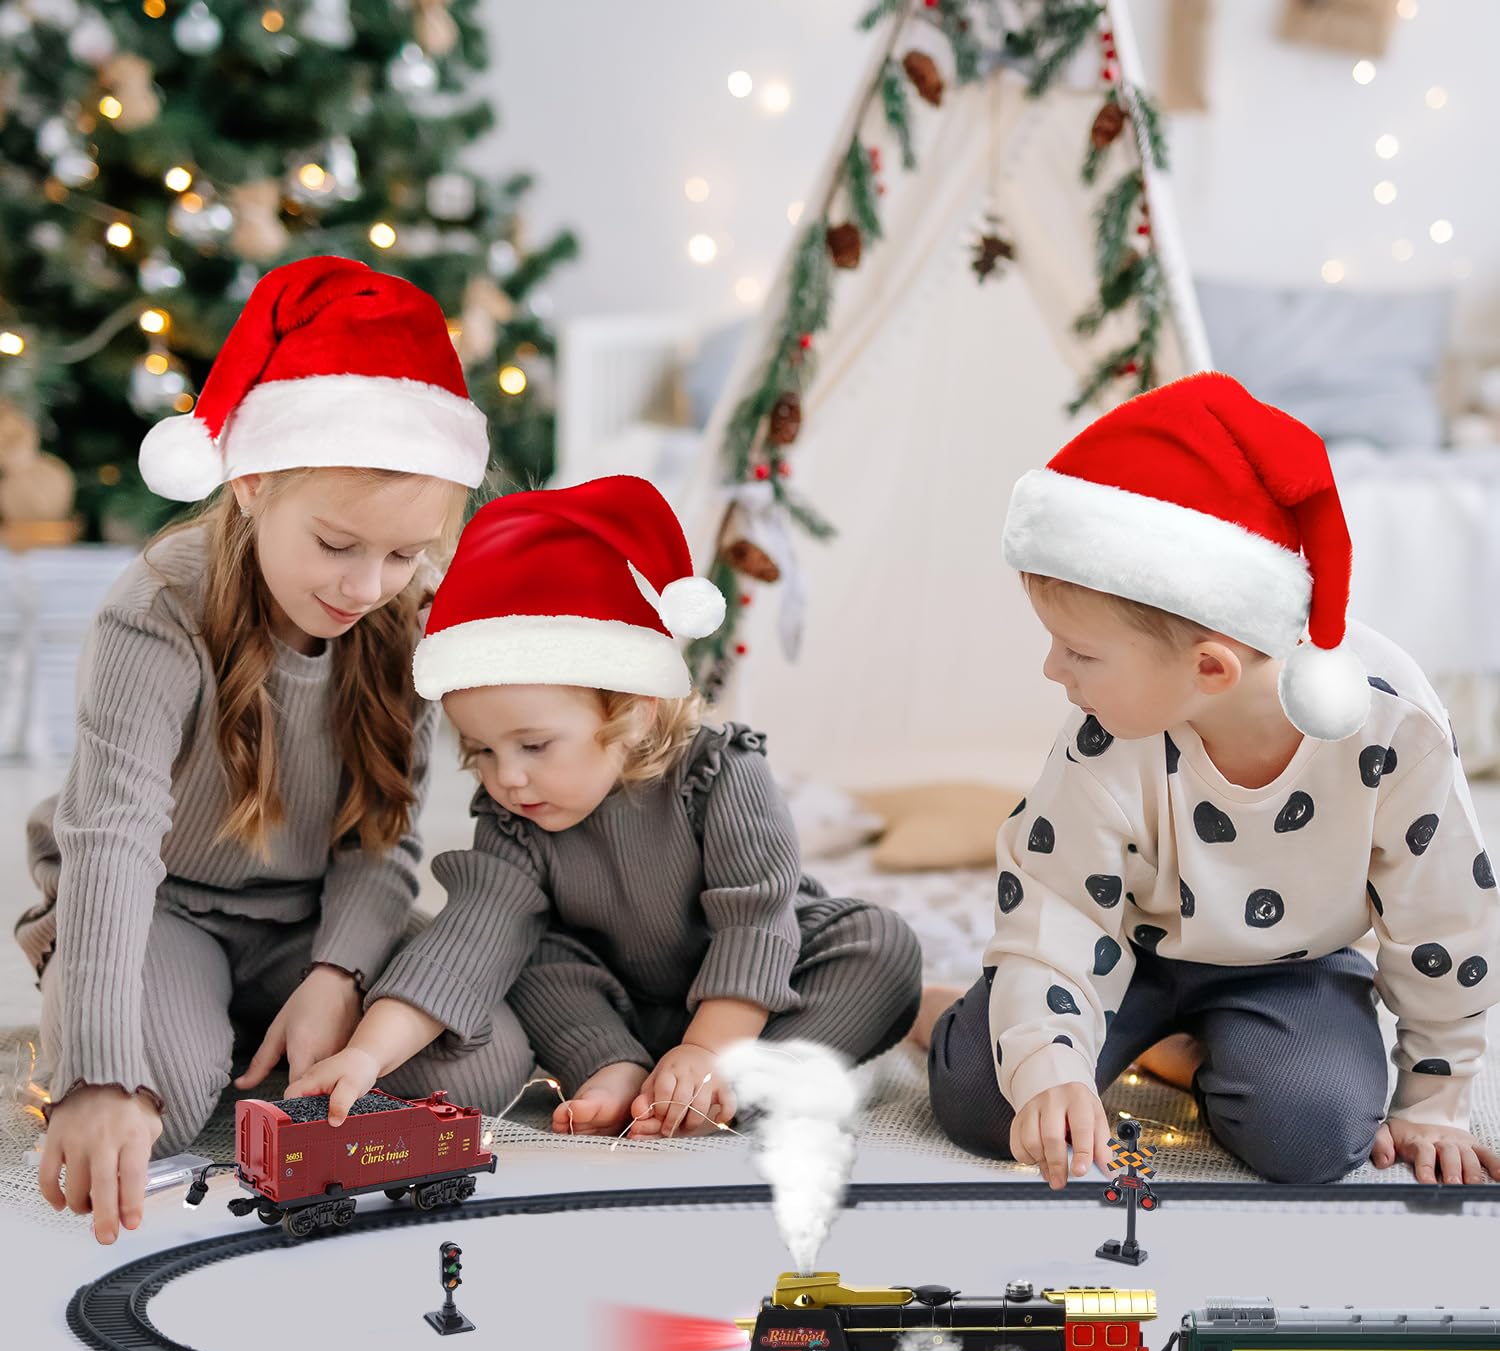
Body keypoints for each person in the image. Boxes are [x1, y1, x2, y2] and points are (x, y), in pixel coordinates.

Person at [920, 372, 1500, 1188]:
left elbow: (1446, 921)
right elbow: (1058, 908)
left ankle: (1182, 1057)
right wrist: (1051, 1071)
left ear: (1211, 668)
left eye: (1080, 653)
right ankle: (978, 1014)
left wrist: (1434, 1099)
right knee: (989, 1102)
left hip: (1296, 966)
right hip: (1127, 952)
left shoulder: (1391, 728)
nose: (1054, 670)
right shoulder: (1104, 737)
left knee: (1313, 1133)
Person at [21, 257, 486, 1243]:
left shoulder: (402, 621)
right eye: (337, 544)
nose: (367, 584)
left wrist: (339, 974)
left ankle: (246, 1028)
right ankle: (146, 1020)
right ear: (253, 481)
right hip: (166, 902)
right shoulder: (157, 610)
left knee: (472, 1063)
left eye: (404, 555)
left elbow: (384, 838)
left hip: (304, 921)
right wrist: (102, 1074)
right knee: (157, 1092)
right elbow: (112, 838)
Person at [286, 474, 923, 1137]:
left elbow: (756, 923)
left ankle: (716, 1086)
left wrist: (708, 1051)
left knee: (882, 947)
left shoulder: (720, 772)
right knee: (520, 956)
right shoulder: (514, 817)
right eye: (479, 752)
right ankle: (619, 1070)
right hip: (621, 1008)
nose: (506, 778)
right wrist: (364, 1054)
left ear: (635, 712)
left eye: (533, 745)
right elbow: (467, 942)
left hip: (751, 995)